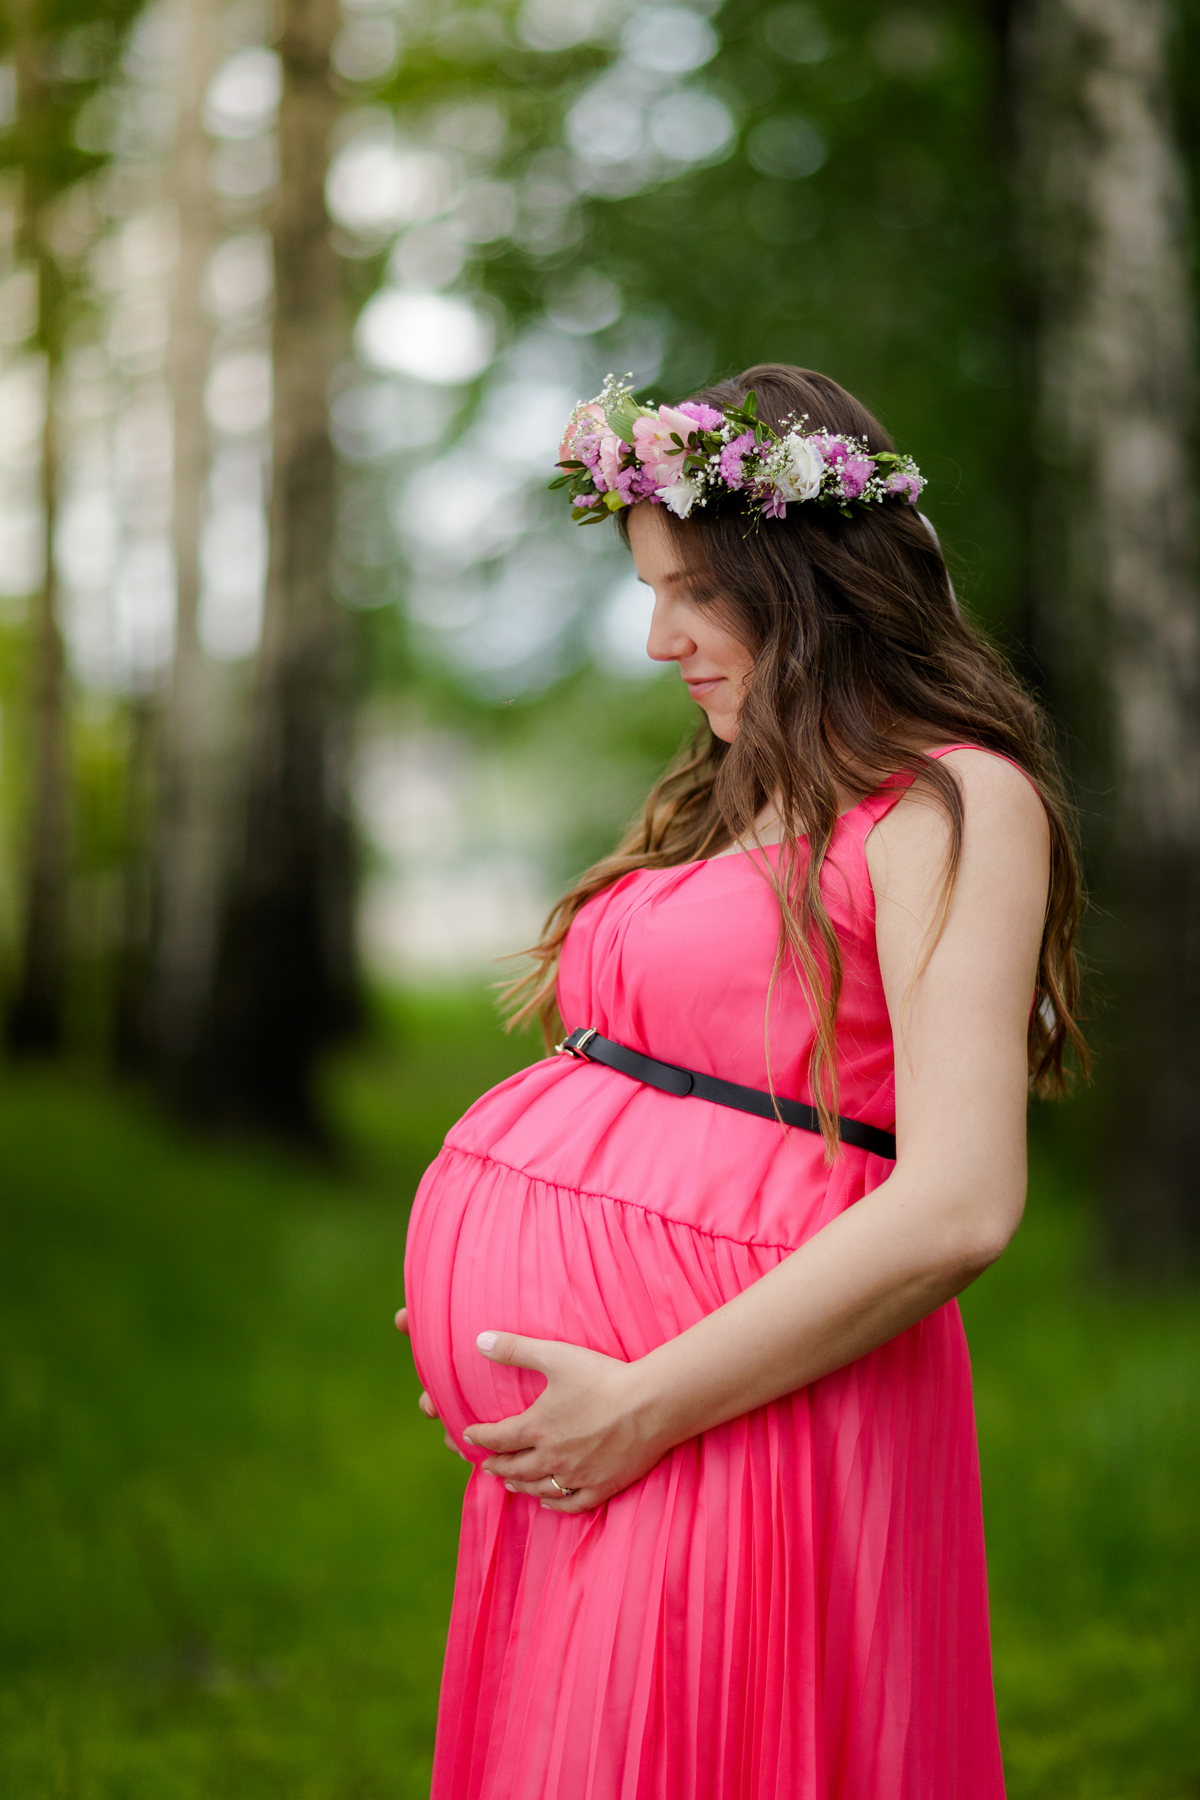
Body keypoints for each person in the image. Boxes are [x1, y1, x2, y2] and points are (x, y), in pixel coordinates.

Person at [396, 364, 1086, 1800]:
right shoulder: (742, 797)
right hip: (614, 1425)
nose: (661, 641)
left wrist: (642, 1396)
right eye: (652, 592)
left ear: (813, 579)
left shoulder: (952, 803)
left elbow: (961, 1203)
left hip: (738, 1414)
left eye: (695, 593)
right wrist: (502, 1326)